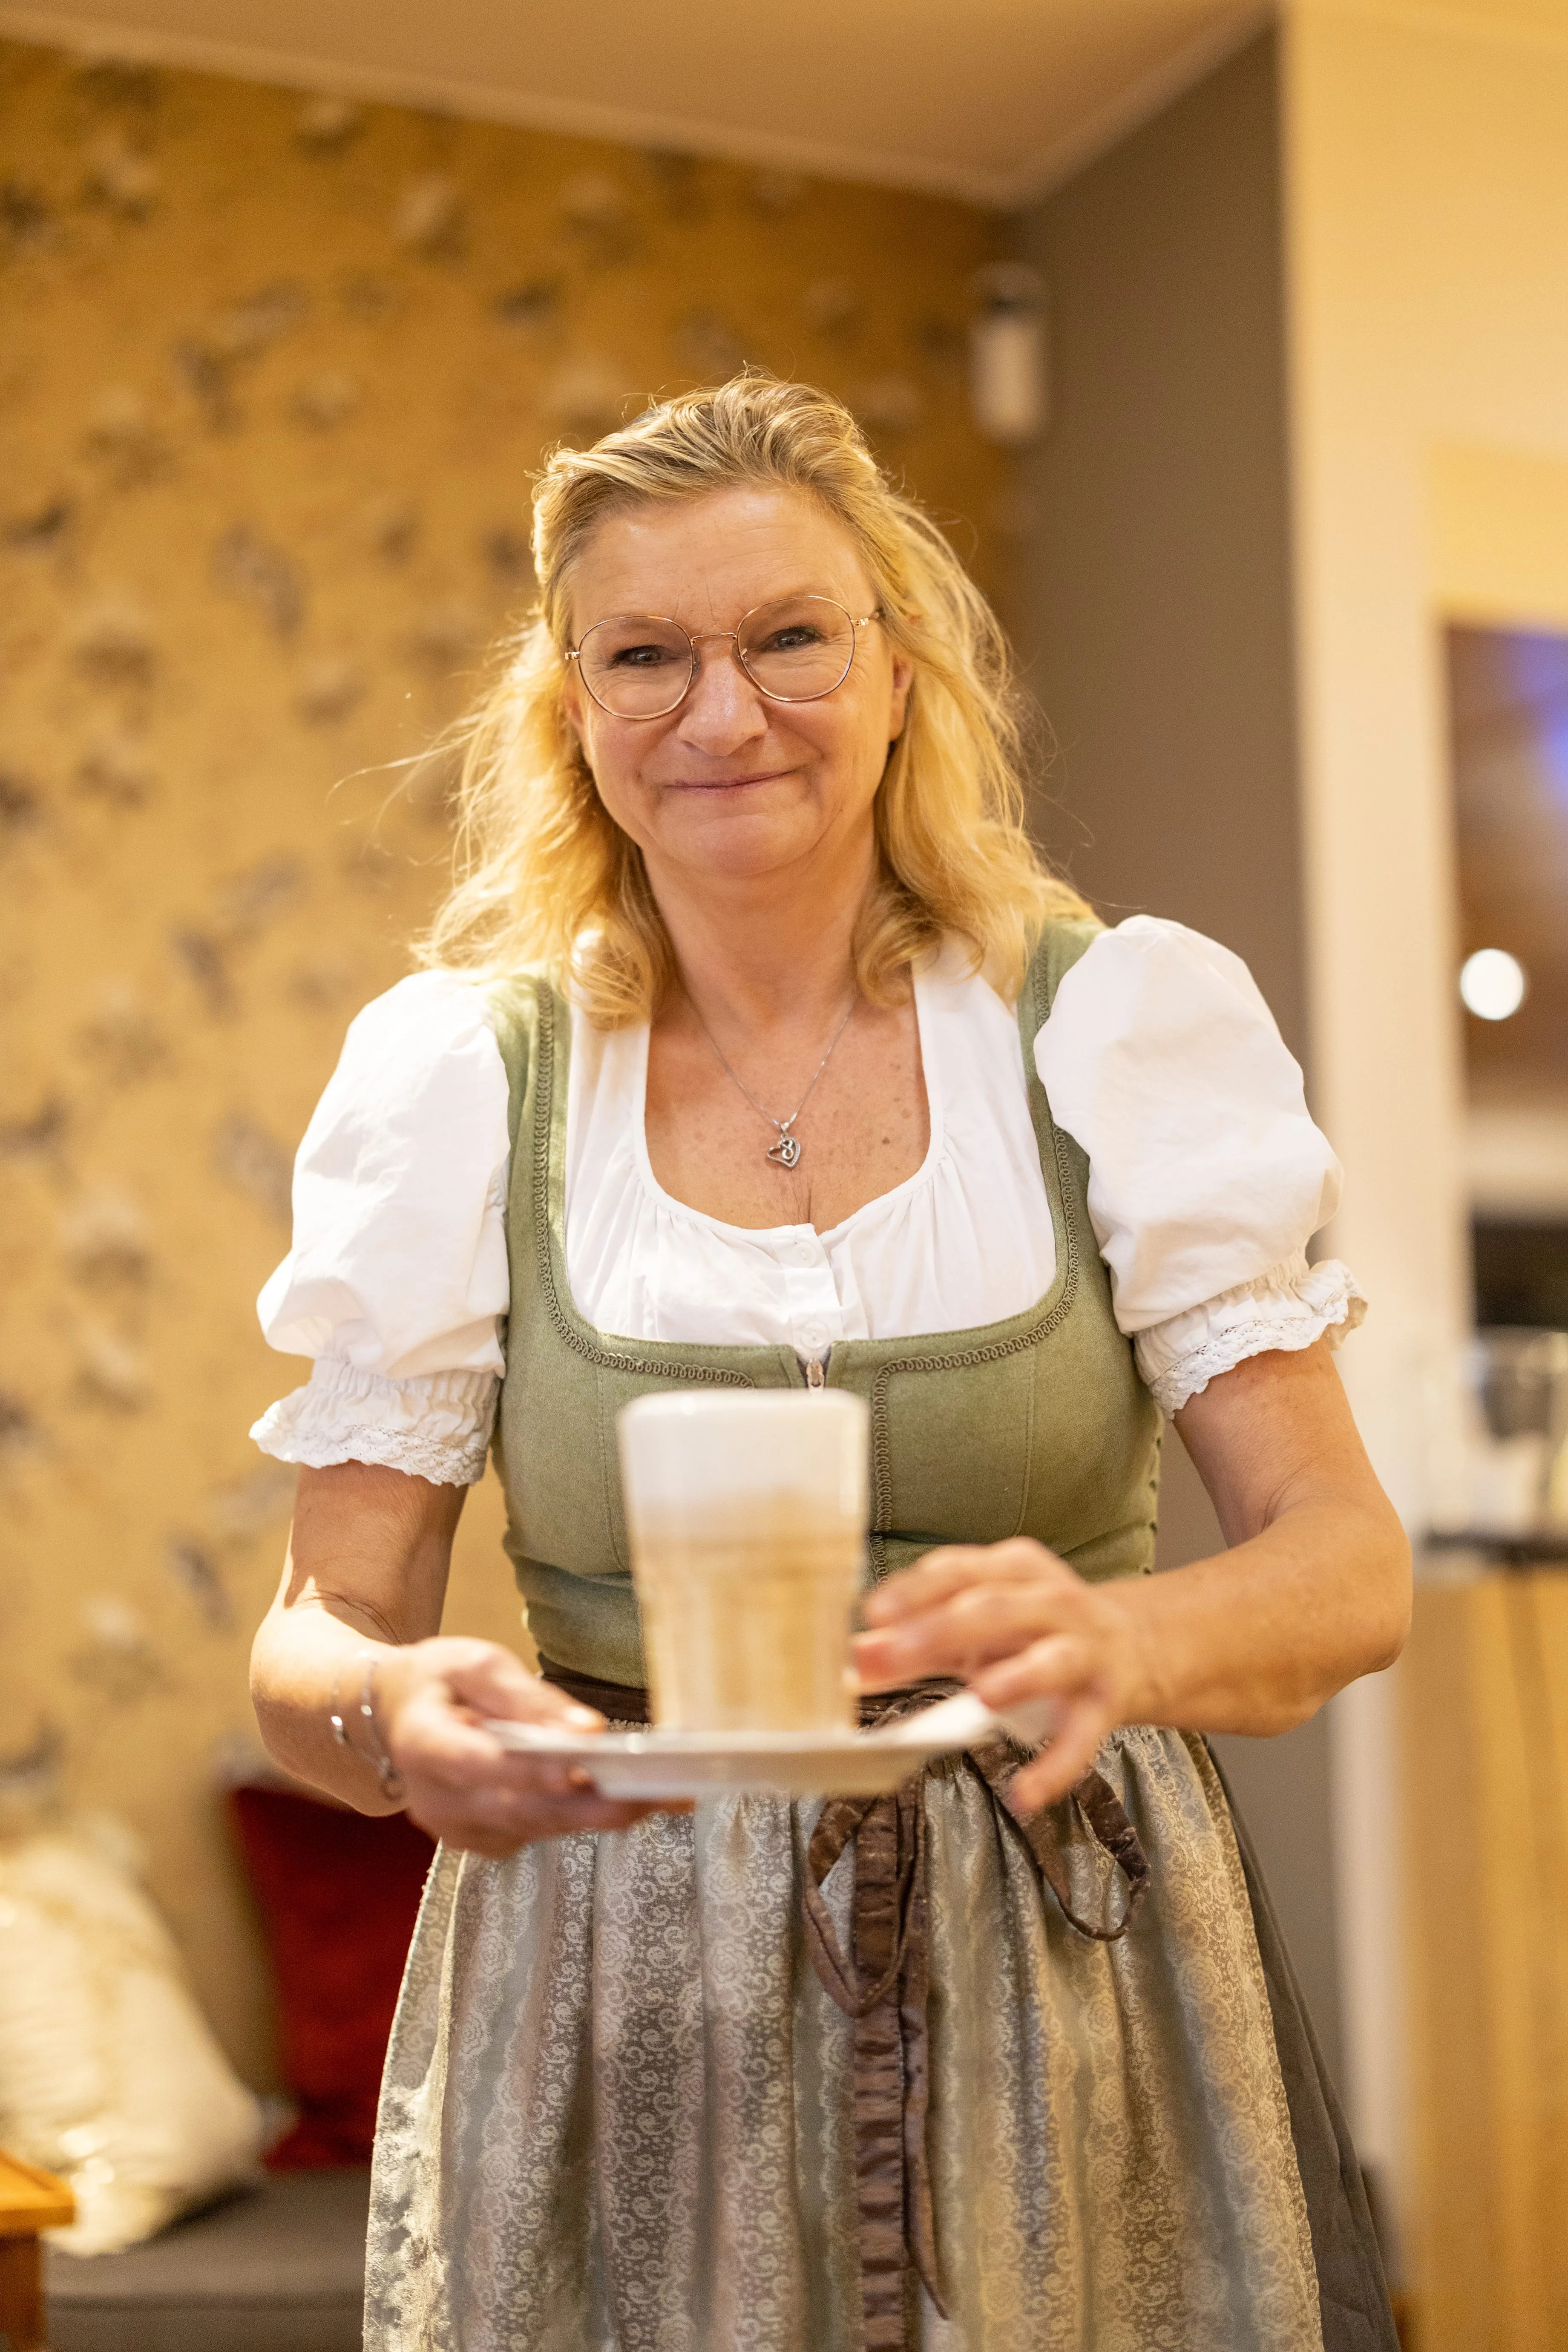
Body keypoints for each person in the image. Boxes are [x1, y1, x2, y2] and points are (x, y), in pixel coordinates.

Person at [248, 374, 1409, 2352]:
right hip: (616, 1973)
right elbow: (313, 1637)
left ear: (894, 673)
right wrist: (390, 1714)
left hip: (1058, 1962)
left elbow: (1343, 1567)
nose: (724, 713)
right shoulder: (463, 1081)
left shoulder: (1109, 1030)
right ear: (571, 708)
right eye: (646, 655)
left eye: (788, 636)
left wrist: (1119, 1642)